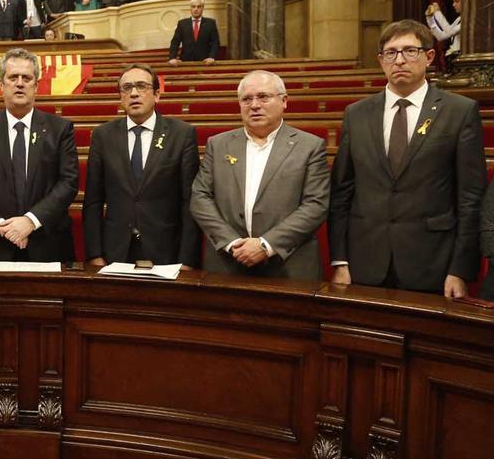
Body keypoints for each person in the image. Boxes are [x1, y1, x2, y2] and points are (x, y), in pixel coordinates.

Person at [0, 48, 78, 442]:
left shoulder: (59, 129)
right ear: (1, 83)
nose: (20, 84)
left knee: (44, 332)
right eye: (13, 78)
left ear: (37, 84)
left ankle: (44, 405)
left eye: (27, 78)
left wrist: (30, 221)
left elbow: (67, 183)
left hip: (43, 246)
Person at [329, 20, 485, 298]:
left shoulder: (459, 112)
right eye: (391, 53)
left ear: (429, 56)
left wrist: (461, 269)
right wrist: (340, 261)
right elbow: (342, 193)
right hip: (366, 262)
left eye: (410, 51)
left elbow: (470, 199)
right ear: (381, 61)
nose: (399, 60)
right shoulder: (357, 114)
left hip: (432, 263)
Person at [189, 70, 329, 281]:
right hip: (227, 263)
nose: (254, 105)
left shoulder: (309, 146)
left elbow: (316, 205)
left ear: (284, 101)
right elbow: (200, 198)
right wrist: (232, 243)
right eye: (246, 99)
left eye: (263, 97)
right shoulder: (218, 144)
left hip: (288, 266)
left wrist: (265, 245)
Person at [83, 64, 200, 268]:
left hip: (165, 253)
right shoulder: (103, 135)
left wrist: (187, 260)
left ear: (157, 95)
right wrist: (95, 254)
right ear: (120, 97)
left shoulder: (181, 134)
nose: (134, 93)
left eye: (141, 86)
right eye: (126, 88)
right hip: (114, 252)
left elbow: (189, 202)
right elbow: (93, 201)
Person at [168, 0, 220, 64]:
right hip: (185, 63)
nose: (196, 9)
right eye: (193, 6)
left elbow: (215, 43)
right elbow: (175, 42)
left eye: (199, 7)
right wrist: (172, 58)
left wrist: (212, 57)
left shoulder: (211, 23)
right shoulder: (182, 24)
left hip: (205, 62)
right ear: (190, 8)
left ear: (202, 8)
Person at [426, 0, 462, 73]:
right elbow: (441, 36)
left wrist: (438, 13)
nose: (453, 5)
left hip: (460, 59)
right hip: (453, 58)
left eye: (457, 1)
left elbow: (449, 31)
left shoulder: (467, 20)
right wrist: (430, 18)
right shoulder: (459, 19)